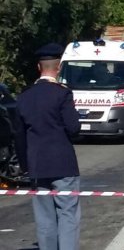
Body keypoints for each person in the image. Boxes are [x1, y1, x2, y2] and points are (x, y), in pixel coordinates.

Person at [13, 43, 82, 250]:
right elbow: (73, 128)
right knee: (68, 215)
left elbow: (19, 135)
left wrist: (26, 166)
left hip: (37, 167)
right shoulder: (62, 94)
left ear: (38, 67)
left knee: (44, 220)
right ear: (58, 67)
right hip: (63, 165)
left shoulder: (24, 97)